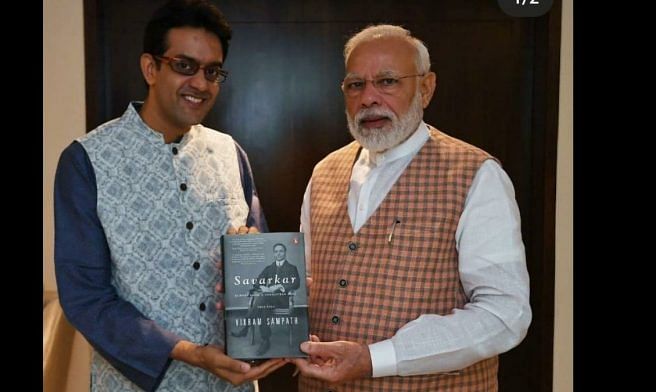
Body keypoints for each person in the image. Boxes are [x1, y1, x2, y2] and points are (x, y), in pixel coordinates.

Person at [53, 1, 286, 390]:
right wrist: (186, 351)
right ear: (151, 68)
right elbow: (84, 296)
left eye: (212, 71)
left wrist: (262, 270)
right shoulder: (87, 161)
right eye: (184, 66)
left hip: (229, 383)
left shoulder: (231, 153)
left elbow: (259, 266)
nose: (200, 82)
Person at [291, 24, 532, 391]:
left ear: (426, 87)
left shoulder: (475, 175)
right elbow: (305, 285)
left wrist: (377, 359)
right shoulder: (324, 172)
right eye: (356, 85)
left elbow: (505, 314)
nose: (369, 98)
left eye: (387, 82)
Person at [230, 243, 301, 356]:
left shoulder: (292, 268)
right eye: (276, 251)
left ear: (285, 252)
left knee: (263, 298)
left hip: (282, 300)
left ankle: (246, 327)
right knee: (264, 305)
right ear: (274, 254)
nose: (278, 253)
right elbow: (258, 281)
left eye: (281, 251)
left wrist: (280, 286)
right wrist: (262, 287)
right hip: (267, 300)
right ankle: (265, 340)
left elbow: (296, 284)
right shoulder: (269, 268)